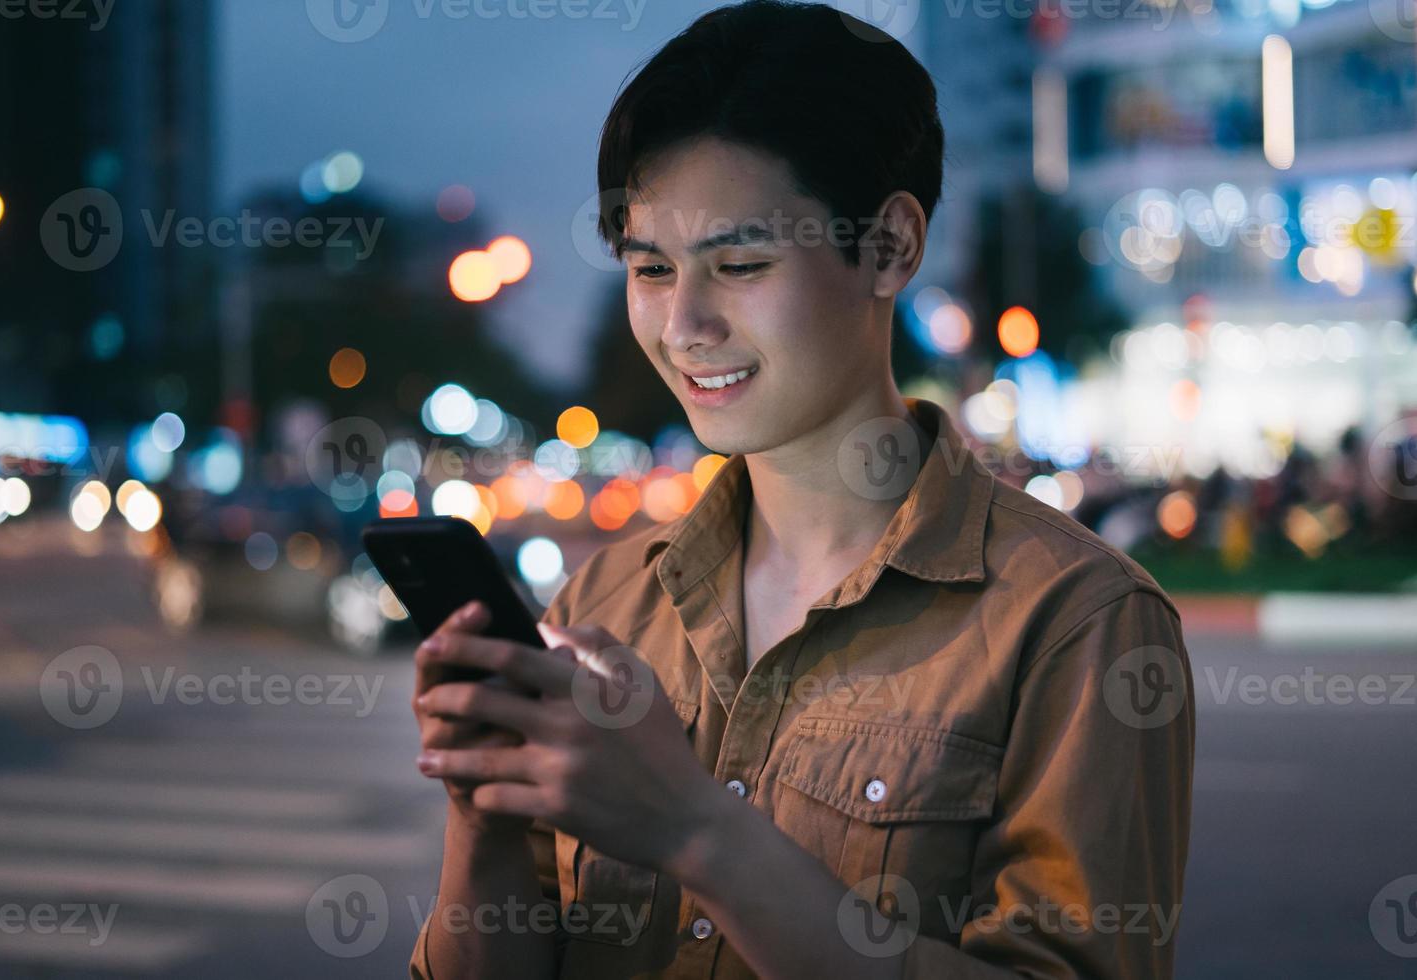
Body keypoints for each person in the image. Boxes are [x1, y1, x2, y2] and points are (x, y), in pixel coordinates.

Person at [409, 2, 1194, 976]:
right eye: (651, 267)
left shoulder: (1076, 621)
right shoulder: (607, 605)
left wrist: (698, 832)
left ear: (890, 248)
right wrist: (479, 815)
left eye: (740, 264)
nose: (685, 321)